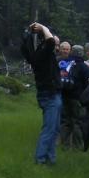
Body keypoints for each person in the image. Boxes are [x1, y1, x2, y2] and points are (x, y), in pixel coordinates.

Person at [21, 23, 62, 165]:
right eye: (56, 43)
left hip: (50, 94)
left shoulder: (40, 53)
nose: (57, 46)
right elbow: (50, 40)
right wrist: (43, 27)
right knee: (49, 129)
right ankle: (40, 160)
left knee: (54, 129)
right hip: (50, 95)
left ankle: (51, 159)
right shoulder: (43, 52)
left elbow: (50, 41)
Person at [59, 45, 89, 150]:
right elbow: (88, 84)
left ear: (72, 52)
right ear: (82, 53)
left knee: (65, 121)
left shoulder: (66, 64)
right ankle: (78, 147)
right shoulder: (84, 67)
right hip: (78, 98)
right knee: (77, 122)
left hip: (64, 96)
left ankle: (64, 145)